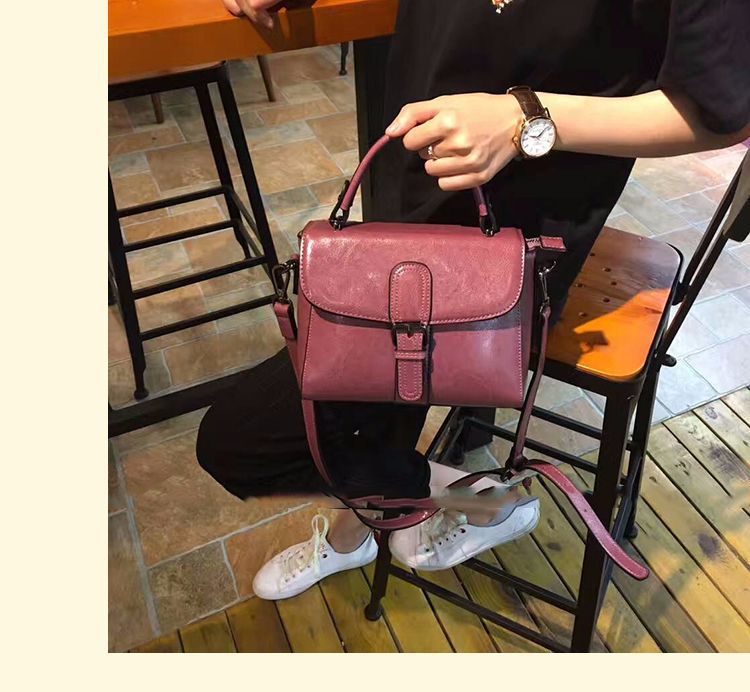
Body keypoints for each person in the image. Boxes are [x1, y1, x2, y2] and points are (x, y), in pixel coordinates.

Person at [198, 0, 750, 601]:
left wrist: (526, 117)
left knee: (237, 444)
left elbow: (721, 111)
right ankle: (356, 532)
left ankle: (484, 504)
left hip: (509, 238)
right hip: (415, 183)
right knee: (387, 388)